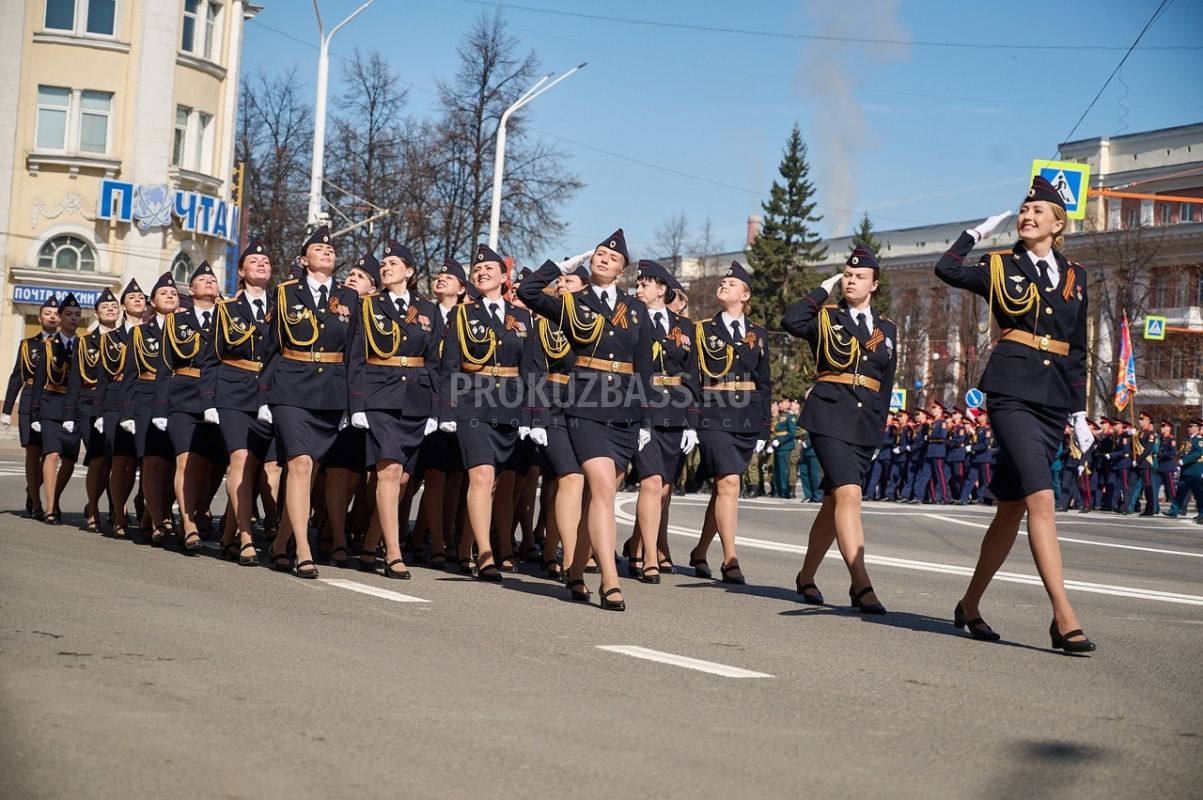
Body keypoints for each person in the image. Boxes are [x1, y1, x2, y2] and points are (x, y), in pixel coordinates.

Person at [935, 176, 1096, 651]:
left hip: (1053, 400)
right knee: (1041, 500)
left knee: (1011, 509)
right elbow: (947, 269)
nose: (1027, 217)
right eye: (1023, 212)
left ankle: (969, 605)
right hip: (1010, 393)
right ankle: (1063, 616)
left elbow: (1080, 347)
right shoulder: (999, 266)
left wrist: (1079, 412)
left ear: (1057, 222)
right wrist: (976, 234)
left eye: (1036, 212)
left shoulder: (1076, 275)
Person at [518, 230, 655, 611]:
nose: (603, 259)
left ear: (623, 268)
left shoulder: (636, 309)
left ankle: (576, 569)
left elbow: (644, 366)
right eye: (598, 255)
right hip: (585, 404)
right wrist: (560, 268)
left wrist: (646, 419)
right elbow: (528, 293)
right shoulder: (572, 302)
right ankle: (609, 581)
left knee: (600, 495)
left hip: (625, 409)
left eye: (612, 258)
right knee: (602, 488)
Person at [781, 245, 896, 614]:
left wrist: (880, 431)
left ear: (874, 285)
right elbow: (790, 321)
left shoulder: (887, 329)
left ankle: (806, 575)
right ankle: (860, 585)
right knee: (848, 495)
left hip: (864, 423)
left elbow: (886, 383)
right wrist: (821, 289)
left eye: (859, 277)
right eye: (847, 275)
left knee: (833, 503)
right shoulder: (826, 317)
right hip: (829, 414)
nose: (851, 280)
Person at [262, 225, 360, 579]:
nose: (327, 252)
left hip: (330, 392)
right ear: (304, 259)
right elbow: (269, 347)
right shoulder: (285, 293)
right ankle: (303, 550)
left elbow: (353, 354)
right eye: (319, 248)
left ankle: (279, 544)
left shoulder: (349, 299)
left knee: (310, 468)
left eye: (331, 249)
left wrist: (354, 404)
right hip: (291, 388)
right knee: (300, 464)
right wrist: (264, 394)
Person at [441, 243, 540, 584]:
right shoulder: (462, 315)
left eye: (489, 269)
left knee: (494, 483)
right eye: (477, 270)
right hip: (472, 402)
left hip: (509, 406)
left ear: (504, 277)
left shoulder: (523, 318)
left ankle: (467, 544)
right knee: (481, 476)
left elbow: (530, 370)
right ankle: (486, 555)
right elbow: (450, 365)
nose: (482, 273)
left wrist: (532, 417)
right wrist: (447, 409)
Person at [349, 242, 443, 579]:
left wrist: (436, 409)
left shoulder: (429, 310)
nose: (386, 268)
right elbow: (356, 357)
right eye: (384, 264)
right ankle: (392, 552)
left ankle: (369, 543)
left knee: (403, 478)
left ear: (410, 271)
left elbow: (436, 363)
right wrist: (357, 403)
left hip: (416, 399)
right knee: (388, 472)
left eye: (393, 263)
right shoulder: (367, 306)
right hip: (379, 396)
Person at [686, 261, 771, 585]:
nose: (724, 284)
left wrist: (765, 426)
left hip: (747, 416)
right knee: (729, 483)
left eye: (732, 283)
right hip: (714, 413)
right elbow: (693, 378)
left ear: (745, 294)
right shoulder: (702, 329)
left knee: (724, 489)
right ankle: (730, 558)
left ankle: (700, 550)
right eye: (723, 281)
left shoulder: (759, 334)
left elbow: (765, 383)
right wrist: (692, 421)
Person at [200, 238, 276, 566]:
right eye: (254, 261)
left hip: (270, 394)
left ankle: (229, 532)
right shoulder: (226, 309)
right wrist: (209, 400)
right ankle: (246, 535)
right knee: (241, 460)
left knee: (263, 467)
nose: (262, 264)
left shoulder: (283, 306)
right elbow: (210, 357)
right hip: (232, 391)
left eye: (266, 261)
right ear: (241, 271)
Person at [626, 259, 699, 584]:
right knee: (651, 483)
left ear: (661, 289)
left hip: (675, 412)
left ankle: (636, 545)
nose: (638, 289)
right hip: (642, 409)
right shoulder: (629, 319)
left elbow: (693, 376)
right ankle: (650, 557)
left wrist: (693, 422)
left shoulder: (685, 328)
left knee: (664, 488)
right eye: (637, 284)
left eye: (644, 284)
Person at [159, 262, 222, 551]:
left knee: (211, 466)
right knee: (186, 461)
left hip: (220, 397)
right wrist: (161, 407)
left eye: (213, 279)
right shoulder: (176, 321)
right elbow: (164, 366)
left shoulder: (230, 317)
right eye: (203, 279)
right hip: (184, 395)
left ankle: (199, 512)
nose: (209, 282)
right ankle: (188, 523)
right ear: (191, 289)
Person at [415, 257, 469, 569]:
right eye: (439, 275)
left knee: (454, 477)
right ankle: (436, 542)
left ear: (462, 289)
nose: (441, 278)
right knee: (431, 475)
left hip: (460, 404)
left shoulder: (467, 317)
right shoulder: (424, 312)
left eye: (449, 277)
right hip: (426, 400)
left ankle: (433, 534)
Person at [122, 272, 179, 543]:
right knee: (152, 462)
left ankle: (150, 515)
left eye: (174, 293)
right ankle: (158, 521)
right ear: (152, 303)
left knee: (170, 465)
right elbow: (130, 374)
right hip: (146, 398)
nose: (170, 296)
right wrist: (126, 412)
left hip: (179, 399)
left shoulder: (186, 328)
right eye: (164, 293)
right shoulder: (140, 333)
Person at [66, 287, 121, 532]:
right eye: (105, 307)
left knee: (115, 458)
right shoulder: (85, 341)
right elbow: (76, 378)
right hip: (88, 404)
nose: (110, 309)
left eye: (114, 307)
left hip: (117, 403)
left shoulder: (126, 338)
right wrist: (69, 412)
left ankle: (115, 507)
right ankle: (94, 508)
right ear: (96, 313)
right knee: (98, 458)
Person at [3, 294, 60, 519]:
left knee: (51, 452)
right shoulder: (28, 345)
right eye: (48, 313)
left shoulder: (66, 345)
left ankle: (38, 490)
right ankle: (36, 502)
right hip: (29, 399)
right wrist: (7, 409)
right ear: (39, 317)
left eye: (56, 314)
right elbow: (17, 376)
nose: (53, 317)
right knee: (33, 451)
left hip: (54, 398)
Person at [29, 293, 83, 524]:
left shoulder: (84, 345)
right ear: (59, 318)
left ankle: (56, 498)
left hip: (75, 407)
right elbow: (39, 381)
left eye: (77, 315)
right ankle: (50, 507)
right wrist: (34, 413)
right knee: (51, 455)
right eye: (69, 314)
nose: (74, 318)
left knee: (69, 460)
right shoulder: (48, 347)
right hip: (51, 404)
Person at [101, 280, 146, 538]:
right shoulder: (113, 338)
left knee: (148, 459)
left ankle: (143, 504)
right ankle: (119, 513)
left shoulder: (156, 332)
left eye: (141, 297)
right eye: (133, 297)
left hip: (148, 398)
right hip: (118, 401)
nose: (139, 300)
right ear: (123, 306)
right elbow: (107, 375)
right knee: (123, 461)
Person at [1163, 418, 1202, 522]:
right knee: (1180, 491)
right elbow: (1183, 452)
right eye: (1189, 426)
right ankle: (1173, 510)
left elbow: (1197, 453)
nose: (1188, 428)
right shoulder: (1189, 440)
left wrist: (1184, 461)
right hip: (1185, 470)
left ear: (1196, 428)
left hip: (1194, 470)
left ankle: (1202, 513)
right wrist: (1179, 457)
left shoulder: (1199, 440)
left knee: (1198, 493)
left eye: (1191, 426)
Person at [771, 400, 797, 498]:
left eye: (782, 402)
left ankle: (784, 491)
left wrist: (780, 440)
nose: (780, 404)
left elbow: (792, 432)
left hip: (784, 446)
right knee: (777, 470)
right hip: (777, 446)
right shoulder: (781, 416)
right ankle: (778, 490)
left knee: (783, 470)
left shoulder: (790, 416)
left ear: (788, 404)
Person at [1156, 419, 1179, 509]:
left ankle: (1176, 506)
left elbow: (1173, 452)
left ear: (1168, 428)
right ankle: (1155, 507)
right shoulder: (1161, 438)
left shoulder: (1171, 438)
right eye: (1161, 426)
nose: (1162, 428)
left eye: (1163, 426)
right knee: (1155, 486)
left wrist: (1162, 455)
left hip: (1168, 466)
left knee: (1171, 488)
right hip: (1160, 466)